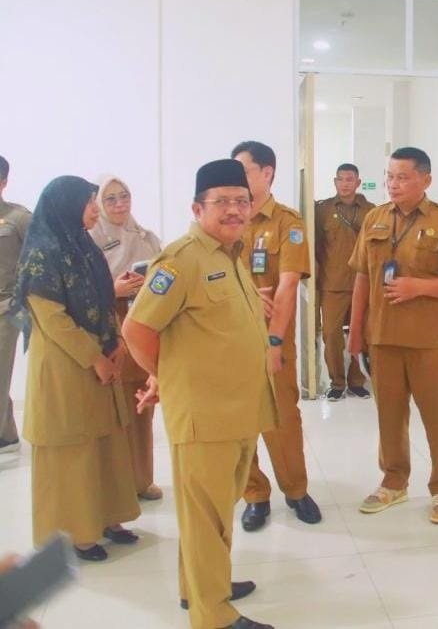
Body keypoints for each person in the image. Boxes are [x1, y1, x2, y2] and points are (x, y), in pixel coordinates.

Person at [123, 159, 278, 629]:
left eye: (241, 201)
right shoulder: (182, 259)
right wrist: (166, 378)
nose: (234, 210)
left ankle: (200, 588)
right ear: (197, 208)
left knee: (213, 512)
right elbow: (137, 330)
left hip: (238, 409)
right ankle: (215, 616)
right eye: (222, 202)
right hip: (205, 415)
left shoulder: (230, 253)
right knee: (206, 516)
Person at [12, 176, 140, 562]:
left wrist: (116, 343)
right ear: (66, 206)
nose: (95, 210)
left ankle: (109, 517)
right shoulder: (41, 255)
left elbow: (104, 299)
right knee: (74, 451)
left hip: (100, 357)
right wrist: (95, 358)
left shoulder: (83, 246)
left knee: (106, 442)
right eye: (89, 203)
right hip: (66, 366)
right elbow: (54, 320)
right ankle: (79, 533)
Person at [347, 147, 438, 525]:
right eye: (390, 176)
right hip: (383, 337)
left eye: (403, 177)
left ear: (426, 180)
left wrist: (418, 287)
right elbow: (362, 277)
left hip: (431, 340)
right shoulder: (374, 218)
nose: (393, 184)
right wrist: (355, 332)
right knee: (389, 416)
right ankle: (393, 481)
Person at [231, 140, 322, 532]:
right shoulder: (226, 219)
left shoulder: (288, 223)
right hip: (230, 339)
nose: (236, 178)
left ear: (267, 173)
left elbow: (287, 286)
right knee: (239, 420)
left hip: (274, 339)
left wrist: (273, 340)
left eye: (244, 170)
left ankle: (296, 490)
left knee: (283, 417)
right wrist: (248, 296)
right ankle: (254, 494)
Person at [89, 175, 163, 501]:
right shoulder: (89, 241)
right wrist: (113, 289)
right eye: (111, 199)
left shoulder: (145, 236)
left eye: (125, 196)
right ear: (98, 203)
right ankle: (115, 487)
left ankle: (141, 480)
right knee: (111, 409)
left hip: (143, 324)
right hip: (108, 327)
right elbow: (80, 292)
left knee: (141, 404)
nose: (120, 204)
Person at [315, 163, 375, 402]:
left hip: (364, 283)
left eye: (349, 179)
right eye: (340, 179)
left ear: (358, 182)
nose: (345, 184)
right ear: (335, 182)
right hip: (332, 283)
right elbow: (316, 247)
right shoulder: (322, 210)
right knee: (331, 335)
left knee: (363, 333)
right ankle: (337, 382)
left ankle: (357, 381)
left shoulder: (371, 211)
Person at [0, 155, 32, 454]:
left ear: (4, 182)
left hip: (6, 308)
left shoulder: (18, 218)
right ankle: (7, 435)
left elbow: (36, 259)